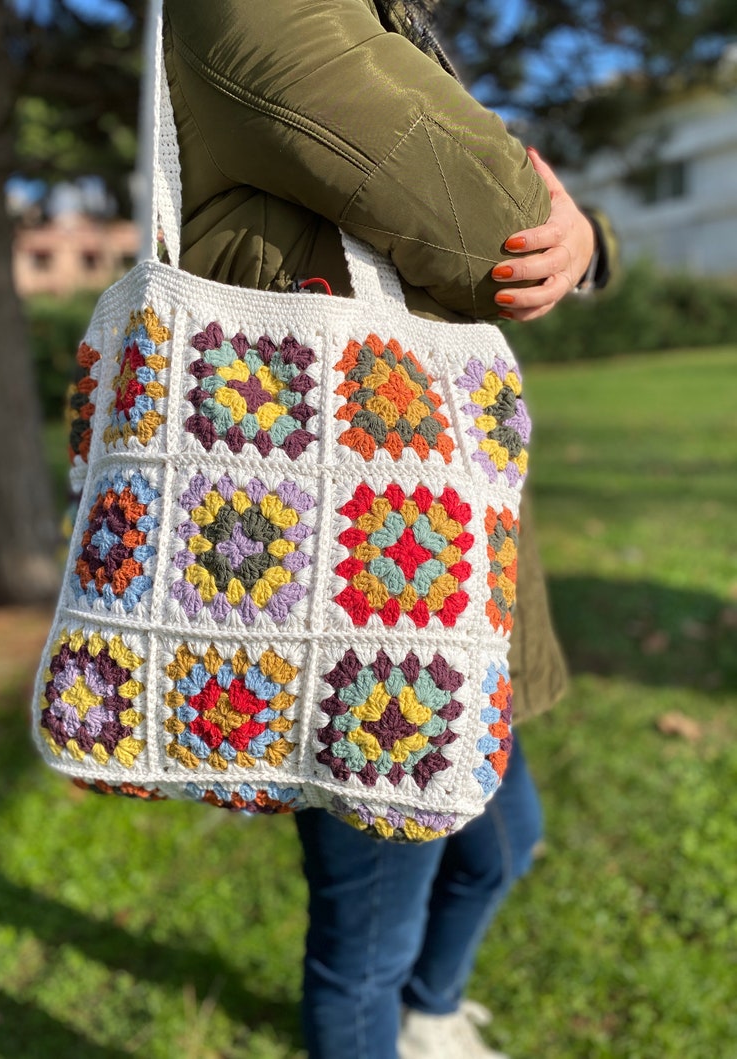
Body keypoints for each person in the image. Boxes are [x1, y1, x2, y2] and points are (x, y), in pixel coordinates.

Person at [162, 1, 611, 1056]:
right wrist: (558, 226)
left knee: (501, 846)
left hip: (432, 571)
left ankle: (428, 1015)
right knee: (361, 942)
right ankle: (391, 1018)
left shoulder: (378, 13)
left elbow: (542, 243)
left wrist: (582, 242)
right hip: (345, 604)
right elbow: (500, 223)